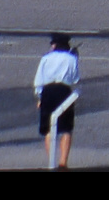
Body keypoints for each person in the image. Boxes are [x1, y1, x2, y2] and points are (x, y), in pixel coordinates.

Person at [33, 34, 80, 168]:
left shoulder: (46, 58)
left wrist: (39, 97)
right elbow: (75, 79)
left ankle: (51, 161)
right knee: (66, 128)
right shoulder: (71, 58)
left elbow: (39, 79)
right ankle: (63, 163)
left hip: (47, 92)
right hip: (63, 91)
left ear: (54, 45)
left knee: (48, 128)